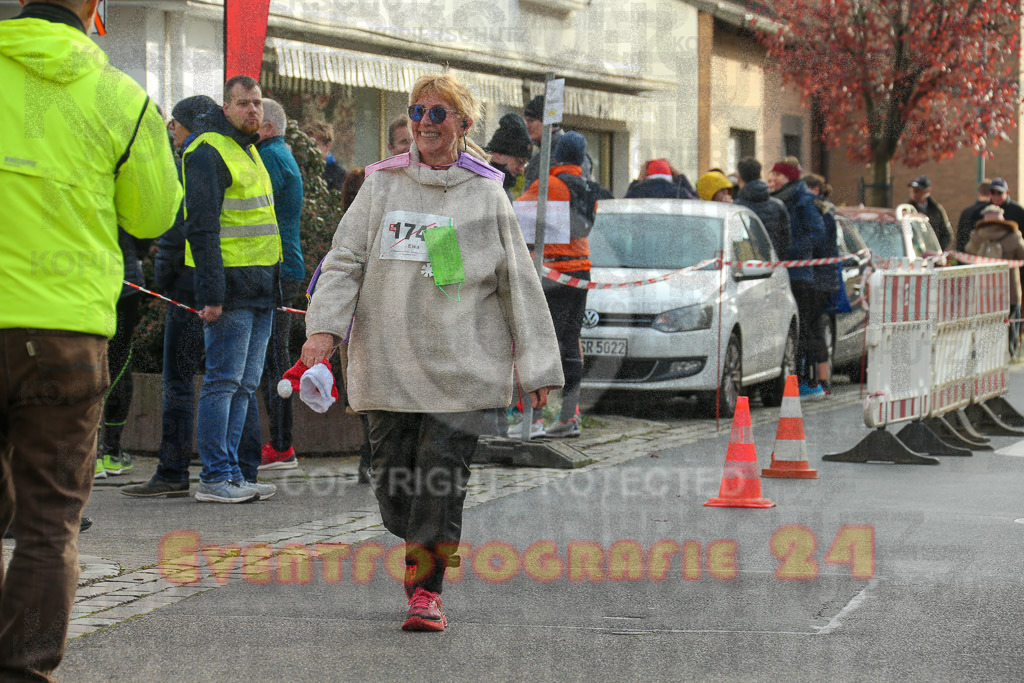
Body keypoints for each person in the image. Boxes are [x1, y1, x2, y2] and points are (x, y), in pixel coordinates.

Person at [301, 73, 562, 631]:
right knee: (394, 485)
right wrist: (323, 330)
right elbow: (345, 259)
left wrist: (537, 365)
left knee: (441, 476)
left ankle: (426, 590)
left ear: (464, 126)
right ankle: (423, 534)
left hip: (462, 364)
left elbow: (519, 281)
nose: (424, 122)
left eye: (438, 113)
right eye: (417, 111)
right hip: (389, 359)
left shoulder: (486, 192)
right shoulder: (381, 186)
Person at [0, 0, 180, 675]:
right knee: (49, 526)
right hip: (65, 331)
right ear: (93, 8)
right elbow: (154, 212)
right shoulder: (121, 97)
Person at [183, 75, 281, 503]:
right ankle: (215, 476)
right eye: (243, 103)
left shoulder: (249, 150)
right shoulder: (208, 151)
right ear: (225, 107)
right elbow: (201, 228)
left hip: (260, 286)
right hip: (232, 288)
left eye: (257, 103)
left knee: (244, 384)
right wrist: (211, 292)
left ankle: (235, 474)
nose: (252, 110)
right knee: (224, 383)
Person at [123, 95, 218, 498]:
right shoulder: (231, 152)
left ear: (184, 126)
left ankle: (173, 469)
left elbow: (175, 225)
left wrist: (163, 277)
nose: (171, 136)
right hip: (225, 283)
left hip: (188, 289)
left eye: (173, 127)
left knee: (178, 381)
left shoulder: (192, 159)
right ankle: (232, 469)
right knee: (226, 382)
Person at [242, 98, 305, 473]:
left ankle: (281, 445)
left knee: (273, 359)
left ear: (267, 127)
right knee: (274, 356)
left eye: (255, 117)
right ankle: (281, 443)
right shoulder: (282, 154)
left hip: (277, 268)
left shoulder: (268, 158)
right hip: (286, 265)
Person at [518, 131, 593, 438]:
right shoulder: (585, 187)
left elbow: (517, 219)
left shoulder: (548, 185)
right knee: (570, 345)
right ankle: (568, 417)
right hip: (581, 271)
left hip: (552, 272)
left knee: (541, 344)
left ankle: (534, 419)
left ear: (558, 155)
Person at [767, 157, 826, 400]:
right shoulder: (778, 199)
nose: (772, 180)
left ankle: (804, 381)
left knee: (800, 331)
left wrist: (792, 251)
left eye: (776, 176)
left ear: (788, 177)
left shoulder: (803, 200)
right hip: (782, 274)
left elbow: (817, 232)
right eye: (770, 176)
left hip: (800, 275)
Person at [966, 204, 1024, 354]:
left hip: (984, 288)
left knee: (983, 321)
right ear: (1002, 218)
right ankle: (1011, 351)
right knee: (1011, 320)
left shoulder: (978, 234)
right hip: (1009, 288)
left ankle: (980, 352)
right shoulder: (1012, 234)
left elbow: (968, 252)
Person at [804, 174, 842, 395]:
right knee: (817, 329)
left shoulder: (823, 213)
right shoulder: (828, 211)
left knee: (815, 330)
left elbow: (820, 245)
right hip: (825, 278)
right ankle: (822, 380)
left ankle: (819, 381)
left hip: (819, 278)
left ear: (815, 190)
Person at [522, 94, 593, 188]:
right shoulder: (537, 154)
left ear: (548, 123)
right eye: (526, 121)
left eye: (531, 121)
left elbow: (577, 191)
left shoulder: (570, 150)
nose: (527, 126)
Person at [733, 156, 790, 261]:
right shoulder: (778, 205)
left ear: (739, 178)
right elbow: (786, 241)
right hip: (773, 264)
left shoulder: (736, 208)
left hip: (747, 265)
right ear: (760, 175)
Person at [484, 112, 533, 200]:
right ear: (498, 155)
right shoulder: (486, 190)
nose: (522, 169)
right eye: (520, 162)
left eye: (525, 164)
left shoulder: (499, 188)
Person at [907, 175, 952, 250]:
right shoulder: (907, 209)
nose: (914, 192)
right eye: (913, 189)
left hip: (933, 254)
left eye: (917, 190)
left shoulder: (937, 209)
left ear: (927, 191)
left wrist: (939, 251)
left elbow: (947, 234)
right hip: (914, 254)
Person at [306, 121, 346, 192]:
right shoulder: (303, 168)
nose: (309, 149)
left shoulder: (340, 175)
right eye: (307, 144)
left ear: (327, 146)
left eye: (314, 145)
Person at [956, 179, 992, 254]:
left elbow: (961, 239)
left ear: (979, 193)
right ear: (991, 193)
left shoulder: (966, 212)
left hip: (969, 255)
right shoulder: (994, 212)